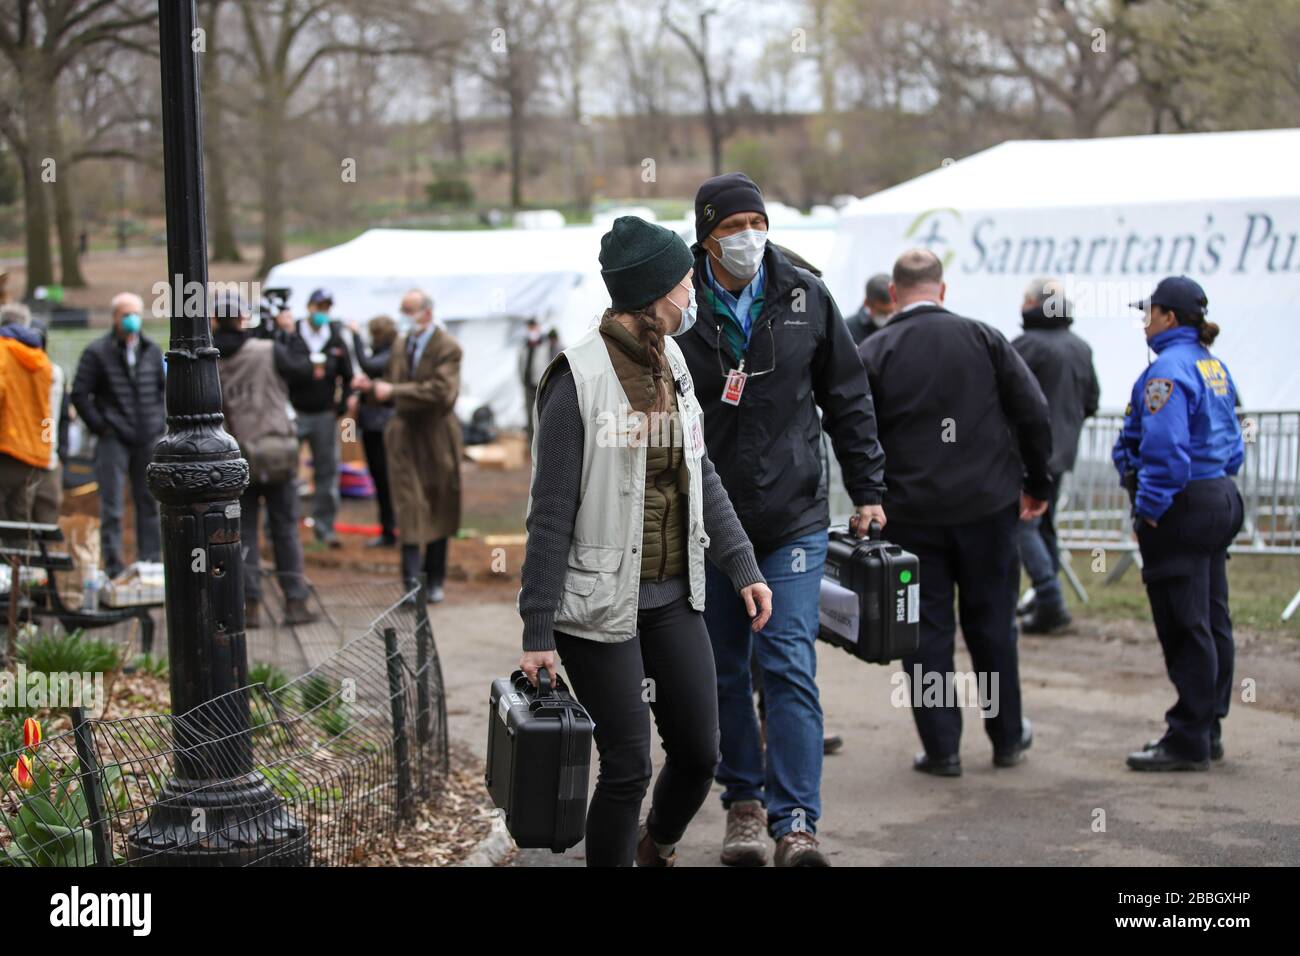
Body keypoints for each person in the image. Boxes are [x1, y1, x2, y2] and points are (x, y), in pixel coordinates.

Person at [516, 216, 772, 868]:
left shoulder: (674, 360)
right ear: (655, 290)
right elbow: (548, 516)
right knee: (628, 766)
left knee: (699, 752)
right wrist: (536, 629)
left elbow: (701, 472)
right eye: (686, 282)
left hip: (672, 591)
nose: (693, 293)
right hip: (598, 604)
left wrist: (742, 567)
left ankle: (655, 845)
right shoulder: (577, 381)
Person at [674, 172, 887, 867]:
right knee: (726, 670)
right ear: (706, 235)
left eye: (755, 225)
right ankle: (743, 802)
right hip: (710, 518)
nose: (747, 239)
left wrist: (868, 489)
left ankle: (796, 821)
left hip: (793, 514)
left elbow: (848, 395)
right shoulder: (678, 304)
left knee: (788, 658)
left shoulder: (805, 293)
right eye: (732, 229)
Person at [859, 249, 1052, 777]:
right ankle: (1006, 737)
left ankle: (942, 749)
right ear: (942, 291)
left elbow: (856, 432)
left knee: (924, 633)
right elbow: (1033, 411)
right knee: (993, 625)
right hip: (987, 507)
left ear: (894, 295)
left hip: (912, 514)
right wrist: (1037, 481)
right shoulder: (985, 338)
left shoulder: (875, 350)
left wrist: (868, 496)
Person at [1114, 276, 1244, 772]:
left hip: (1182, 506)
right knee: (1212, 619)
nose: (1144, 320)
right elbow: (1233, 442)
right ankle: (1207, 726)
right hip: (1219, 496)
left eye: (1149, 312)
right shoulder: (1213, 366)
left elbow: (1166, 453)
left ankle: (1188, 736)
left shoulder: (1166, 370)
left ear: (1169, 317)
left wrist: (1148, 508)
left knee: (1184, 623)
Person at [210, 293, 317, 627]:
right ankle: (295, 601)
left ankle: (249, 604)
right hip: (276, 452)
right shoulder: (268, 350)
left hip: (235, 455)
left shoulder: (208, 358)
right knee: (285, 527)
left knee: (243, 531)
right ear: (243, 318)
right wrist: (289, 331)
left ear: (213, 320)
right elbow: (305, 370)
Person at [353, 290, 461, 604]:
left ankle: (435, 578)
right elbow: (389, 387)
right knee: (408, 504)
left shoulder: (448, 347)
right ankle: (412, 586)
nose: (403, 315)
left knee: (438, 502)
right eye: (402, 309)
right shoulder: (401, 344)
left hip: (437, 434)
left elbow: (442, 392)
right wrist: (370, 389)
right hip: (403, 435)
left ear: (426, 312)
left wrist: (391, 389)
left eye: (409, 309)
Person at [1012, 278, 1100, 634]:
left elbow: (1005, 397)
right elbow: (1091, 400)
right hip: (1063, 453)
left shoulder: (1025, 346)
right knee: (1044, 524)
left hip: (1026, 453)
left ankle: (1049, 599)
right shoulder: (1081, 347)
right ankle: (1047, 598)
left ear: (1033, 303)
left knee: (1024, 524)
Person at [70, 292, 165, 579]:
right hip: (113, 438)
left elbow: (162, 389)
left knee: (149, 502)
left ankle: (150, 562)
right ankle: (113, 566)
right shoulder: (97, 352)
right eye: (126, 314)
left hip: (147, 437)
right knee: (111, 505)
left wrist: (158, 420)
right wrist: (102, 426)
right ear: (114, 317)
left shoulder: (151, 350)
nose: (131, 319)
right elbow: (79, 394)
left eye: (135, 313)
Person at [287, 288, 353, 548]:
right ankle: (280, 527)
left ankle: (325, 528)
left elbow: (348, 375)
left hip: (324, 415)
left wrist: (340, 405)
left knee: (327, 473)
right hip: (295, 413)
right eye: (319, 306)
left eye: (326, 307)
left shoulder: (335, 338)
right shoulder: (293, 335)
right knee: (286, 471)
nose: (322, 312)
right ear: (309, 306)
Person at [0, 304, 63, 527]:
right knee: (20, 518)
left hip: (7, 448)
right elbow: (49, 412)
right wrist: (48, 450)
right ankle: (21, 561)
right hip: (35, 454)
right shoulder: (44, 364)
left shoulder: (4, 352)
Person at [351, 315, 398, 548]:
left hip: (382, 427)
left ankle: (392, 531)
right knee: (381, 480)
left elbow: (368, 364)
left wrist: (355, 336)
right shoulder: (388, 352)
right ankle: (389, 529)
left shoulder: (392, 353)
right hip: (374, 425)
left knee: (386, 480)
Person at [518, 318, 559, 446]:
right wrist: (523, 380)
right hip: (528, 385)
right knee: (530, 416)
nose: (532, 330)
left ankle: (544, 443)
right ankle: (532, 443)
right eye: (530, 328)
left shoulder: (546, 345)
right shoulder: (524, 346)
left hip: (541, 386)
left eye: (533, 327)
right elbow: (520, 365)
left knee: (542, 414)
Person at [843, 273, 894, 345]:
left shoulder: (902, 324)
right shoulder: (847, 330)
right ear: (867, 302)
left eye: (891, 312)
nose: (888, 317)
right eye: (882, 313)